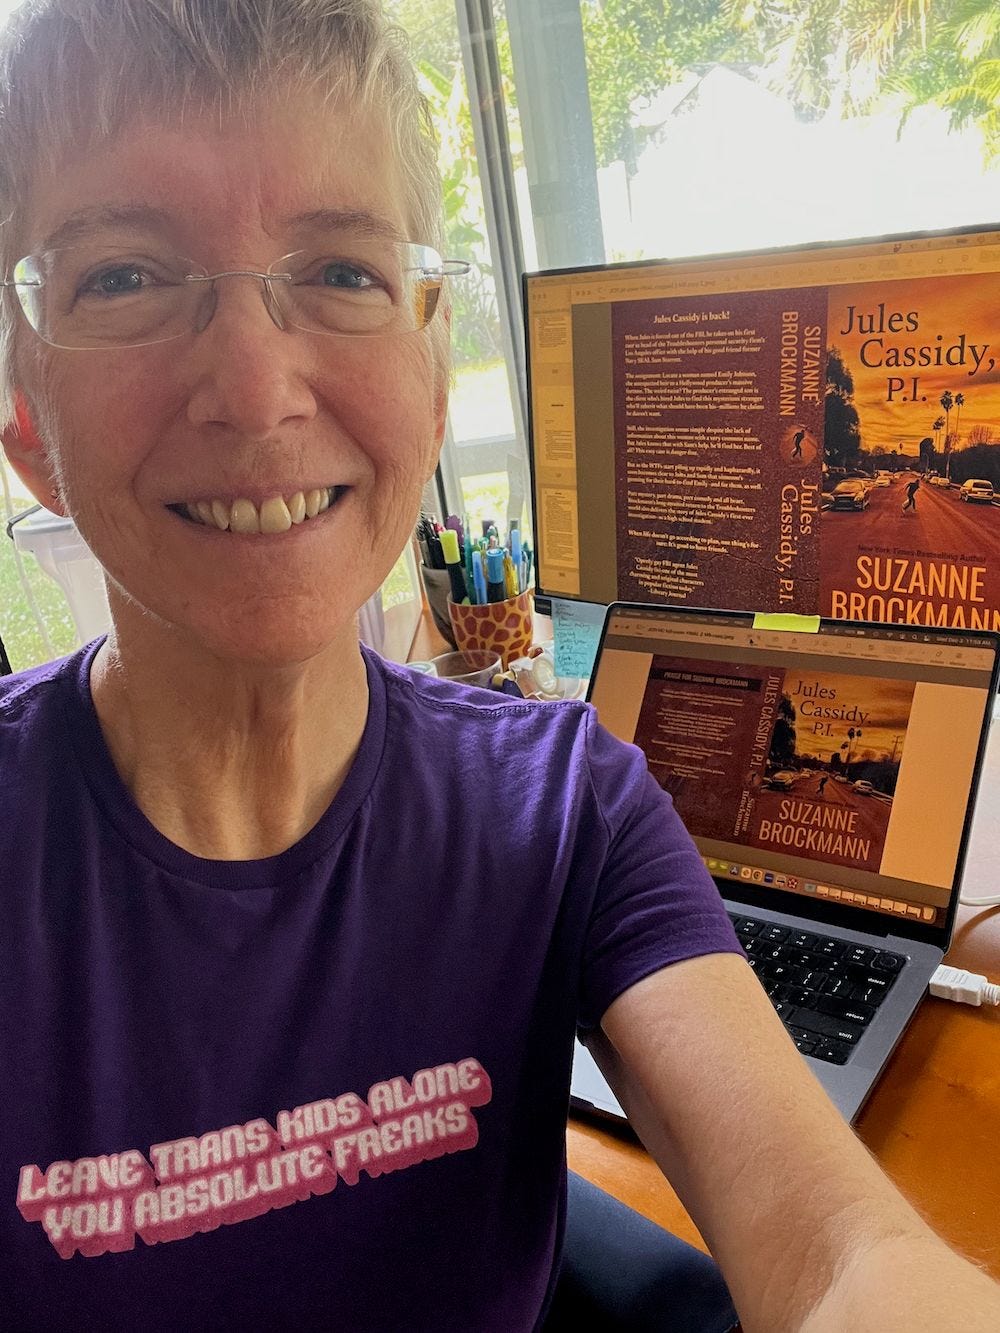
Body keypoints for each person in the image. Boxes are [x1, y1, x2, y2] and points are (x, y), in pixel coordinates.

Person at [1, 3, 999, 1330]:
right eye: (122, 275)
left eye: (344, 272)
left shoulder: (566, 805)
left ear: (433, 385)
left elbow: (840, 1249)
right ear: (24, 415)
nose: (253, 387)